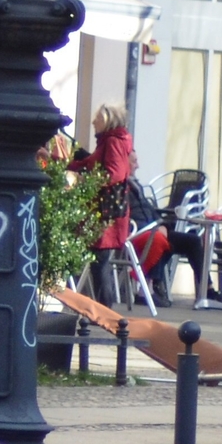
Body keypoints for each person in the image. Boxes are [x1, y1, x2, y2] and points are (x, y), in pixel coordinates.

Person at [75, 104, 138, 305]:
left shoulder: (112, 141)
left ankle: (105, 310)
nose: (93, 122)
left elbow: (115, 173)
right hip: (106, 211)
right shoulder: (109, 141)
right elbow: (89, 163)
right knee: (98, 261)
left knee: (100, 261)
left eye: (98, 119)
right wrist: (59, 161)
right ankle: (103, 309)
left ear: (108, 121)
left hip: (107, 212)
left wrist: (87, 180)